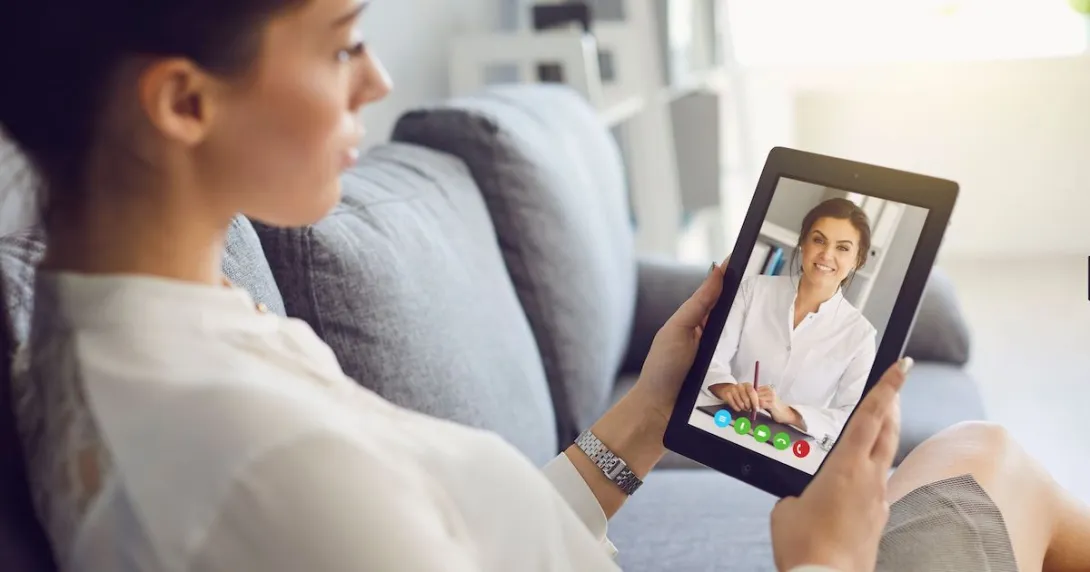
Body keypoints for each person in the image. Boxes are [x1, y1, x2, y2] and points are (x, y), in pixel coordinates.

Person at [1, 1, 1088, 571]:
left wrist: (649, 414)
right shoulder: (251, 461)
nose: (379, 78)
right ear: (184, 103)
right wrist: (824, 564)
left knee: (971, 457)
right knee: (990, 459)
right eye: (340, 45)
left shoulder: (134, 325)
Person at [698, 199, 878, 441]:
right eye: (818, 240)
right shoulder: (753, 290)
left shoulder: (861, 335)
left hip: (789, 449)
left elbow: (853, 417)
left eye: (843, 248)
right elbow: (710, 357)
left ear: (859, 259)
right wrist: (727, 387)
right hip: (724, 423)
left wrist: (790, 414)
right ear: (803, 242)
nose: (826, 254)